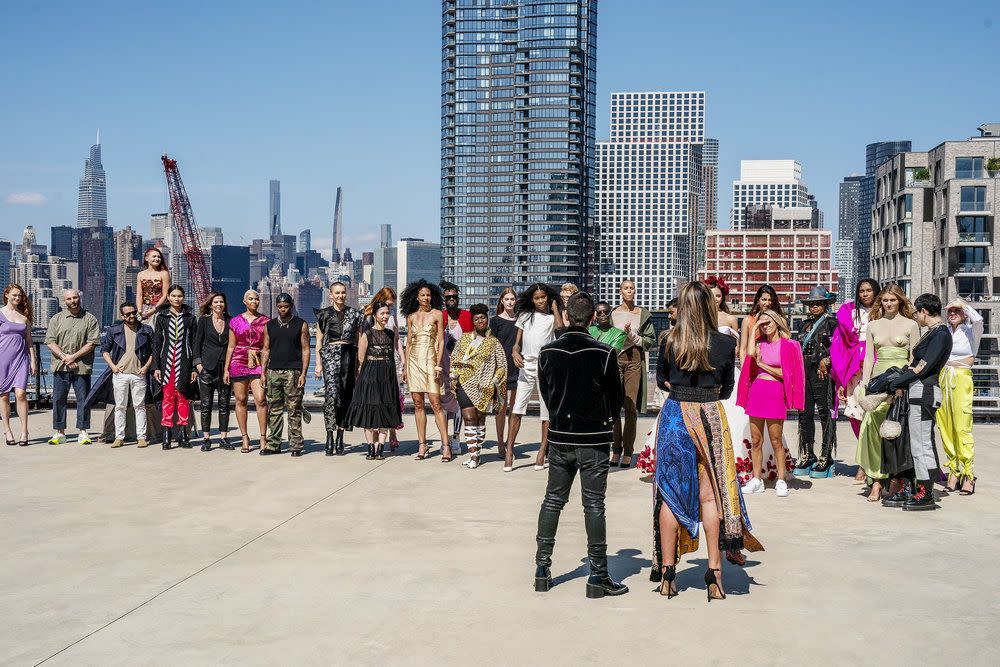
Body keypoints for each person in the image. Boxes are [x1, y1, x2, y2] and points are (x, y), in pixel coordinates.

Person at [650, 282, 762, 601]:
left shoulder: (670, 340)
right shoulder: (724, 344)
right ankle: (714, 574)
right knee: (712, 496)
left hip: (675, 416)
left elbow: (662, 380)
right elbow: (726, 389)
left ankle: (668, 573)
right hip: (710, 414)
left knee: (670, 494)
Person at [534, 291, 628, 599]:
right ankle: (598, 576)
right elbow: (616, 402)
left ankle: (542, 569)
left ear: (565, 316)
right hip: (594, 439)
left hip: (560, 437)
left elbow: (547, 397)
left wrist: (561, 418)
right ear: (591, 318)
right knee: (593, 505)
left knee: (553, 501)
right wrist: (609, 428)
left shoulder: (548, 353)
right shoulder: (604, 353)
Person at [882, 293, 952, 511]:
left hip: (926, 392)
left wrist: (898, 381)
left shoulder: (940, 334)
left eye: (916, 313)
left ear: (924, 311)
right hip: (918, 391)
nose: (916, 317)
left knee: (922, 443)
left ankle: (926, 491)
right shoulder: (933, 333)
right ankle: (916, 487)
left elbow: (923, 366)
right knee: (915, 443)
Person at [856, 284, 919, 502]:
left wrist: (905, 384)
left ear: (900, 301)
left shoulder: (911, 325)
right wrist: (865, 386)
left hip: (900, 384)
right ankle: (876, 481)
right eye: (885, 300)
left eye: (893, 300)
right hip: (877, 383)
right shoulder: (873, 325)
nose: (889, 304)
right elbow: (868, 359)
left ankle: (896, 480)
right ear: (880, 302)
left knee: (896, 434)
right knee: (873, 430)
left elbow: (914, 360)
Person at [736, 309, 805, 497]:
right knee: (756, 440)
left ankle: (781, 480)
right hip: (757, 392)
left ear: (777, 322)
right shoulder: (759, 344)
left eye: (768, 322)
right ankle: (756, 479)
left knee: (776, 440)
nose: (765, 325)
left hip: (775, 393)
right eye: (762, 323)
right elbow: (750, 354)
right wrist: (755, 327)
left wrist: (763, 365)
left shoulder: (788, 345)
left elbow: (786, 374)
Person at [84, 303, 154, 448]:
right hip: (120, 374)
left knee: (140, 406)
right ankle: (119, 437)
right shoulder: (114, 330)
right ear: (122, 316)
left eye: (134, 312)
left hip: (139, 374)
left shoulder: (146, 330)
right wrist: (113, 367)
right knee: (119, 406)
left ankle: (142, 437)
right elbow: (104, 350)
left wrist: (146, 367)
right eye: (128, 314)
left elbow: (155, 351)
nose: (132, 316)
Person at [830, 278, 880, 482]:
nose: (865, 294)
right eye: (861, 291)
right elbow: (841, 342)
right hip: (854, 371)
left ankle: (873, 462)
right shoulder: (851, 313)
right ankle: (863, 461)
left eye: (869, 290)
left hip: (875, 368)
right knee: (855, 415)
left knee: (873, 415)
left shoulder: (883, 313)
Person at [507, 283, 559, 472]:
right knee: (517, 409)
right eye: (537, 298)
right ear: (531, 299)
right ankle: (509, 450)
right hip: (526, 366)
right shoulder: (525, 316)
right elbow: (516, 344)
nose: (540, 301)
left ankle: (542, 450)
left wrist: (555, 308)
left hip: (546, 367)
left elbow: (560, 329)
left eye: (543, 297)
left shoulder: (553, 318)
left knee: (546, 412)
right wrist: (515, 353)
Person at [450, 303, 508, 469]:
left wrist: (493, 382)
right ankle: (473, 456)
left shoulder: (494, 342)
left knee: (480, 420)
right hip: (465, 383)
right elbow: (455, 358)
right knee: (469, 418)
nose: (481, 321)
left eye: (483, 317)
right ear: (473, 321)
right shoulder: (465, 339)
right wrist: (453, 378)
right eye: (477, 319)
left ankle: (478, 454)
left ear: (487, 319)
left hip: (484, 386)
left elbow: (502, 365)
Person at [402, 279, 451, 460]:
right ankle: (422, 445)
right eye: (422, 295)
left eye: (428, 295)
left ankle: (446, 445)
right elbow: (408, 342)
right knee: (417, 403)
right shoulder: (411, 317)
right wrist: (405, 367)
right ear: (416, 297)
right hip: (413, 360)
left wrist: (438, 363)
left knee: (436, 403)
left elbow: (440, 341)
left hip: (431, 360)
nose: (425, 298)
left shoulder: (438, 314)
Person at [347, 300, 402, 460]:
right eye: (382, 313)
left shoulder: (391, 334)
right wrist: (363, 378)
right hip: (369, 376)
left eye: (387, 313)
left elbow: (393, 355)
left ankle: (381, 447)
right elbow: (361, 358)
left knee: (385, 411)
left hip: (387, 376)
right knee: (369, 411)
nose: (385, 316)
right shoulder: (367, 333)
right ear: (375, 315)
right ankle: (371, 447)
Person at [792, 286, 838, 478]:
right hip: (805, 371)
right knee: (805, 413)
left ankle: (826, 456)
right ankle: (808, 453)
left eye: (819, 303)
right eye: (812, 304)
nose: (814, 307)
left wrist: (826, 360)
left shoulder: (832, 323)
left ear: (826, 305)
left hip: (822, 372)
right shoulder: (804, 326)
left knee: (824, 413)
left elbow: (838, 348)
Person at [938, 299, 983, 495]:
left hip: (961, 381)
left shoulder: (971, 331)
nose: (953, 313)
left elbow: (979, 321)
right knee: (946, 425)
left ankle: (968, 474)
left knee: (962, 426)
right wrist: (958, 362)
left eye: (957, 310)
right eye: (950, 311)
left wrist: (964, 305)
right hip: (943, 380)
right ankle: (953, 471)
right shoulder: (945, 331)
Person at [45, 289, 100, 445]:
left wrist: (73, 357)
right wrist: (65, 358)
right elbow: (50, 341)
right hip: (61, 366)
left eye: (75, 297)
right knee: (58, 400)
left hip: (81, 367)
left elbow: (92, 343)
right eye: (69, 298)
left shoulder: (90, 319)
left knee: (83, 400)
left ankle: (83, 432)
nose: (73, 301)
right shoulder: (56, 319)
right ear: (64, 301)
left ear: (79, 298)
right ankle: (59, 432)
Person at [610, 279, 656, 467]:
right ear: (620, 291)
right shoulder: (613, 313)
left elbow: (650, 340)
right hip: (616, 359)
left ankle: (628, 451)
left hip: (635, 360)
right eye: (626, 288)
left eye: (632, 289)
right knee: (614, 407)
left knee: (630, 408)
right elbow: (606, 336)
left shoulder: (642, 313)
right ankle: (616, 450)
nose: (629, 291)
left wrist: (632, 336)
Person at [314, 282, 363, 456]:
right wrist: (318, 364)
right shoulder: (324, 314)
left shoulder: (354, 313)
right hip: (330, 355)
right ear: (331, 294)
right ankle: (329, 434)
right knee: (331, 397)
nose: (340, 295)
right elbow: (319, 341)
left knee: (346, 396)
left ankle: (340, 435)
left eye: (343, 292)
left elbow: (358, 340)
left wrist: (359, 363)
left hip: (349, 355)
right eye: (337, 293)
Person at [259, 293, 310, 457]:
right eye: (280, 306)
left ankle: (296, 445)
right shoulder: (270, 325)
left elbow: (305, 349)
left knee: (294, 410)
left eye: (286, 306)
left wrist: (303, 373)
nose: (283, 309)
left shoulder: (301, 324)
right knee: (274, 409)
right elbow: (265, 349)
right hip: (273, 371)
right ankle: (273, 444)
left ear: (291, 305)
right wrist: (262, 373)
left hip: (293, 372)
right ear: (276, 306)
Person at [152, 285, 199, 450]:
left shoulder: (190, 318)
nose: (177, 299)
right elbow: (157, 343)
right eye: (174, 296)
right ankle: (167, 432)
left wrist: (194, 368)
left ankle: (183, 433)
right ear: (169, 298)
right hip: (167, 362)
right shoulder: (162, 317)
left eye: (180, 296)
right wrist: (156, 366)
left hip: (185, 361)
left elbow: (194, 343)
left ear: (183, 297)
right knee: (168, 397)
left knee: (183, 397)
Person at [224, 290, 270, 453]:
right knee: (240, 399)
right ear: (244, 301)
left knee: (260, 399)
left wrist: (264, 370)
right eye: (251, 299)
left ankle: (263, 437)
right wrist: (226, 369)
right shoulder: (235, 321)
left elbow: (266, 347)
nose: (254, 301)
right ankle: (245, 437)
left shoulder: (265, 321)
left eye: (257, 299)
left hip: (257, 361)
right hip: (238, 360)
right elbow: (230, 346)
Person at [363, 287, 405, 451]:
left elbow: (397, 340)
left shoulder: (391, 317)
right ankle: (375, 436)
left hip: (391, 359)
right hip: (374, 360)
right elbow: (363, 339)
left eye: (392, 305)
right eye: (388, 303)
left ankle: (393, 432)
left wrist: (403, 359)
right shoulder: (367, 316)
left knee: (391, 396)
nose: (390, 307)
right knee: (375, 397)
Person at [193, 292, 232, 451]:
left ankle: (223, 438)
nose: (219, 304)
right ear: (210, 305)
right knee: (206, 405)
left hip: (225, 368)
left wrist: (230, 368)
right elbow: (197, 343)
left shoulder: (231, 320)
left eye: (221, 302)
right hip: (207, 368)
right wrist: (198, 365)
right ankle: (206, 438)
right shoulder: (203, 320)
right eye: (215, 302)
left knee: (224, 405)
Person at [0, 284, 36, 447]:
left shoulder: (24, 316)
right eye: (14, 295)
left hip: (21, 359)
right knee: (4, 395)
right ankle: (7, 430)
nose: (17, 298)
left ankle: (24, 432)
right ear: (6, 295)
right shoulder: (0, 314)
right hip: (2, 359)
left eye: (20, 296)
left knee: (21, 394)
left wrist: (33, 360)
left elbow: (29, 342)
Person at [490, 287, 519, 461]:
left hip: (517, 367)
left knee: (514, 409)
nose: (509, 302)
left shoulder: (521, 320)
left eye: (512, 299)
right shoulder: (495, 321)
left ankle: (510, 444)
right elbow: (491, 345)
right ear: (502, 301)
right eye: (507, 299)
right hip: (500, 368)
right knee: (500, 408)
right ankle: (500, 443)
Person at [439, 281, 467, 452]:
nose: (451, 300)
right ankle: (445, 439)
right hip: (442, 367)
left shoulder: (466, 316)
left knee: (458, 405)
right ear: (444, 299)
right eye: (448, 297)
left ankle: (456, 438)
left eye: (454, 297)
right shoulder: (440, 316)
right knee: (442, 403)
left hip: (461, 369)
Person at [136, 248, 170, 323]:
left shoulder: (164, 273)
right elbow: (139, 294)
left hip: (159, 308)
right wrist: (139, 311)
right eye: (154, 256)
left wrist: (154, 310)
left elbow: (165, 295)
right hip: (144, 309)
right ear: (146, 258)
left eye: (159, 257)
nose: (157, 259)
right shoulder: (141, 274)